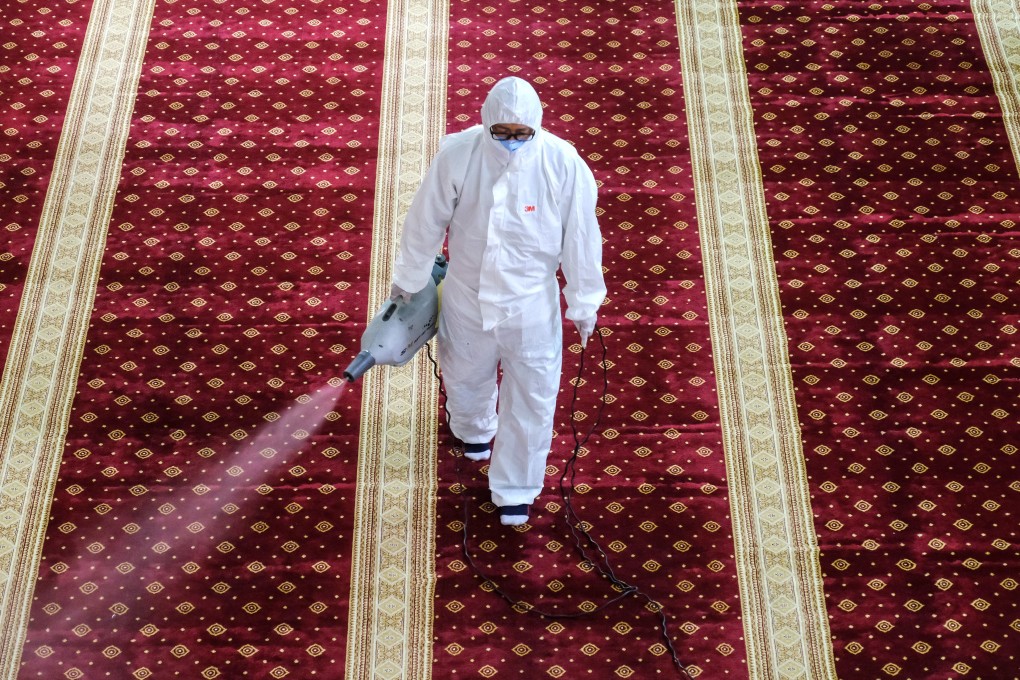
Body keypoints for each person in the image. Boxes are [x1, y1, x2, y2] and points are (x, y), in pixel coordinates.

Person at [389, 76, 605, 526]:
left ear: (537, 127)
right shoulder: (459, 155)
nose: (511, 143)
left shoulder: (563, 164)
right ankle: (472, 432)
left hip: (531, 304)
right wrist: (410, 280)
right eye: (501, 133)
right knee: (465, 372)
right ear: (486, 123)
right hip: (467, 295)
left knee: (534, 395)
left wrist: (583, 302)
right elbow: (425, 220)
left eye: (521, 134)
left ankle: (516, 487)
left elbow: (582, 238)